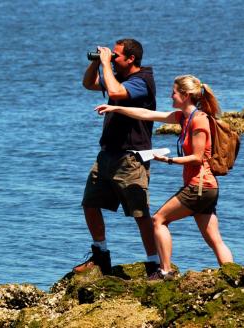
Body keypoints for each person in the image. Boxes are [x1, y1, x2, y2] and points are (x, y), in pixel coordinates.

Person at [95, 75, 234, 280]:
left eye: (174, 92)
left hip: (200, 187)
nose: (171, 95)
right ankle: (233, 277)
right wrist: (116, 108)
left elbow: (197, 158)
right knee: (214, 239)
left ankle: (165, 271)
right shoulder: (183, 117)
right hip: (204, 187)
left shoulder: (199, 121)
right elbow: (146, 114)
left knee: (158, 220)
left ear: (185, 95)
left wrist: (167, 160)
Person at [73, 38, 160, 276]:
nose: (112, 59)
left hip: (131, 158)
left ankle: (154, 264)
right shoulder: (118, 75)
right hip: (107, 154)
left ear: (131, 59)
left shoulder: (143, 81)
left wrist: (105, 65)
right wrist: (96, 64)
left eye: (116, 56)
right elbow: (88, 84)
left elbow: (114, 92)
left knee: (140, 213)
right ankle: (100, 255)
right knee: (90, 204)